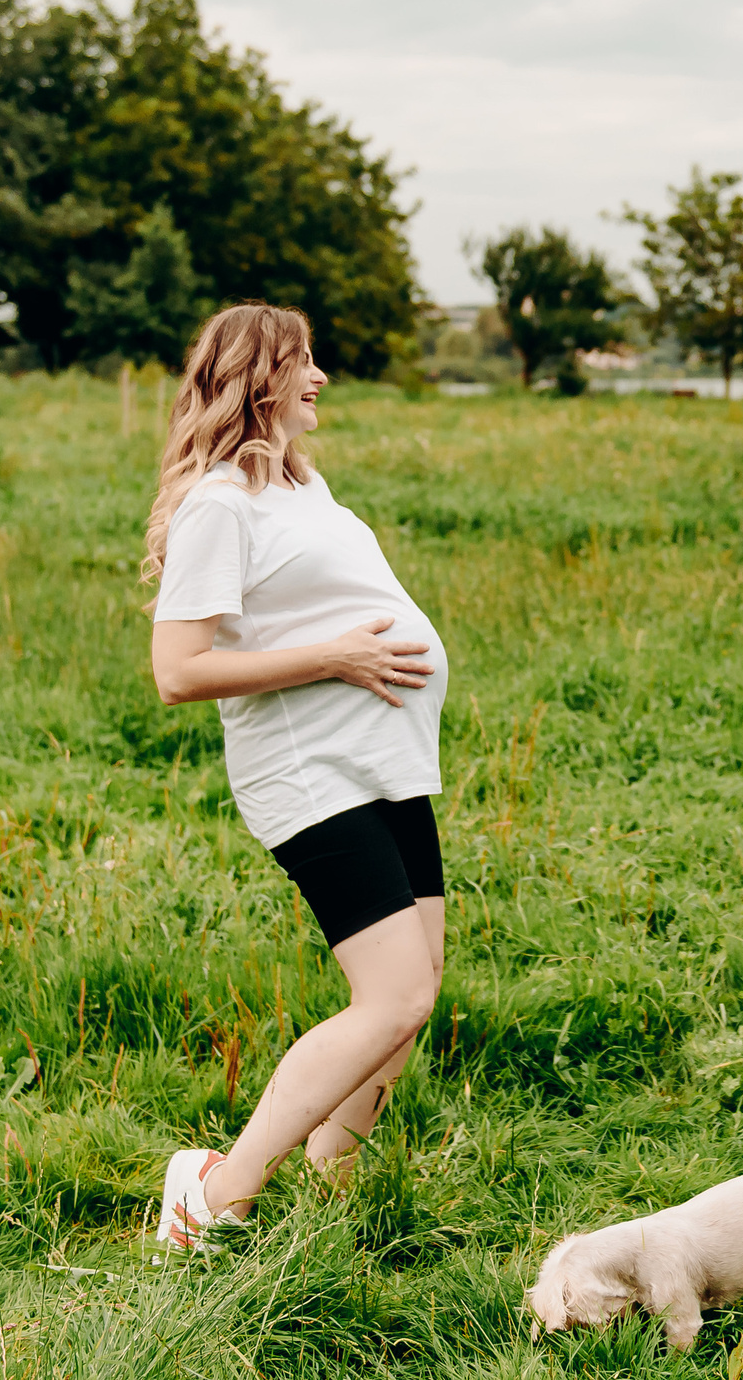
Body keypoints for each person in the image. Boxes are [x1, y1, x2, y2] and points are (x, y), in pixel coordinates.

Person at [141, 303, 450, 1255]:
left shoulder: (299, 488)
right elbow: (178, 670)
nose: (318, 377)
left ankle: (336, 1174)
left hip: (386, 766)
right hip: (313, 778)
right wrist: (335, 658)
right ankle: (216, 1192)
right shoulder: (218, 505)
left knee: (419, 990)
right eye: (301, 362)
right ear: (256, 377)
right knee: (390, 998)